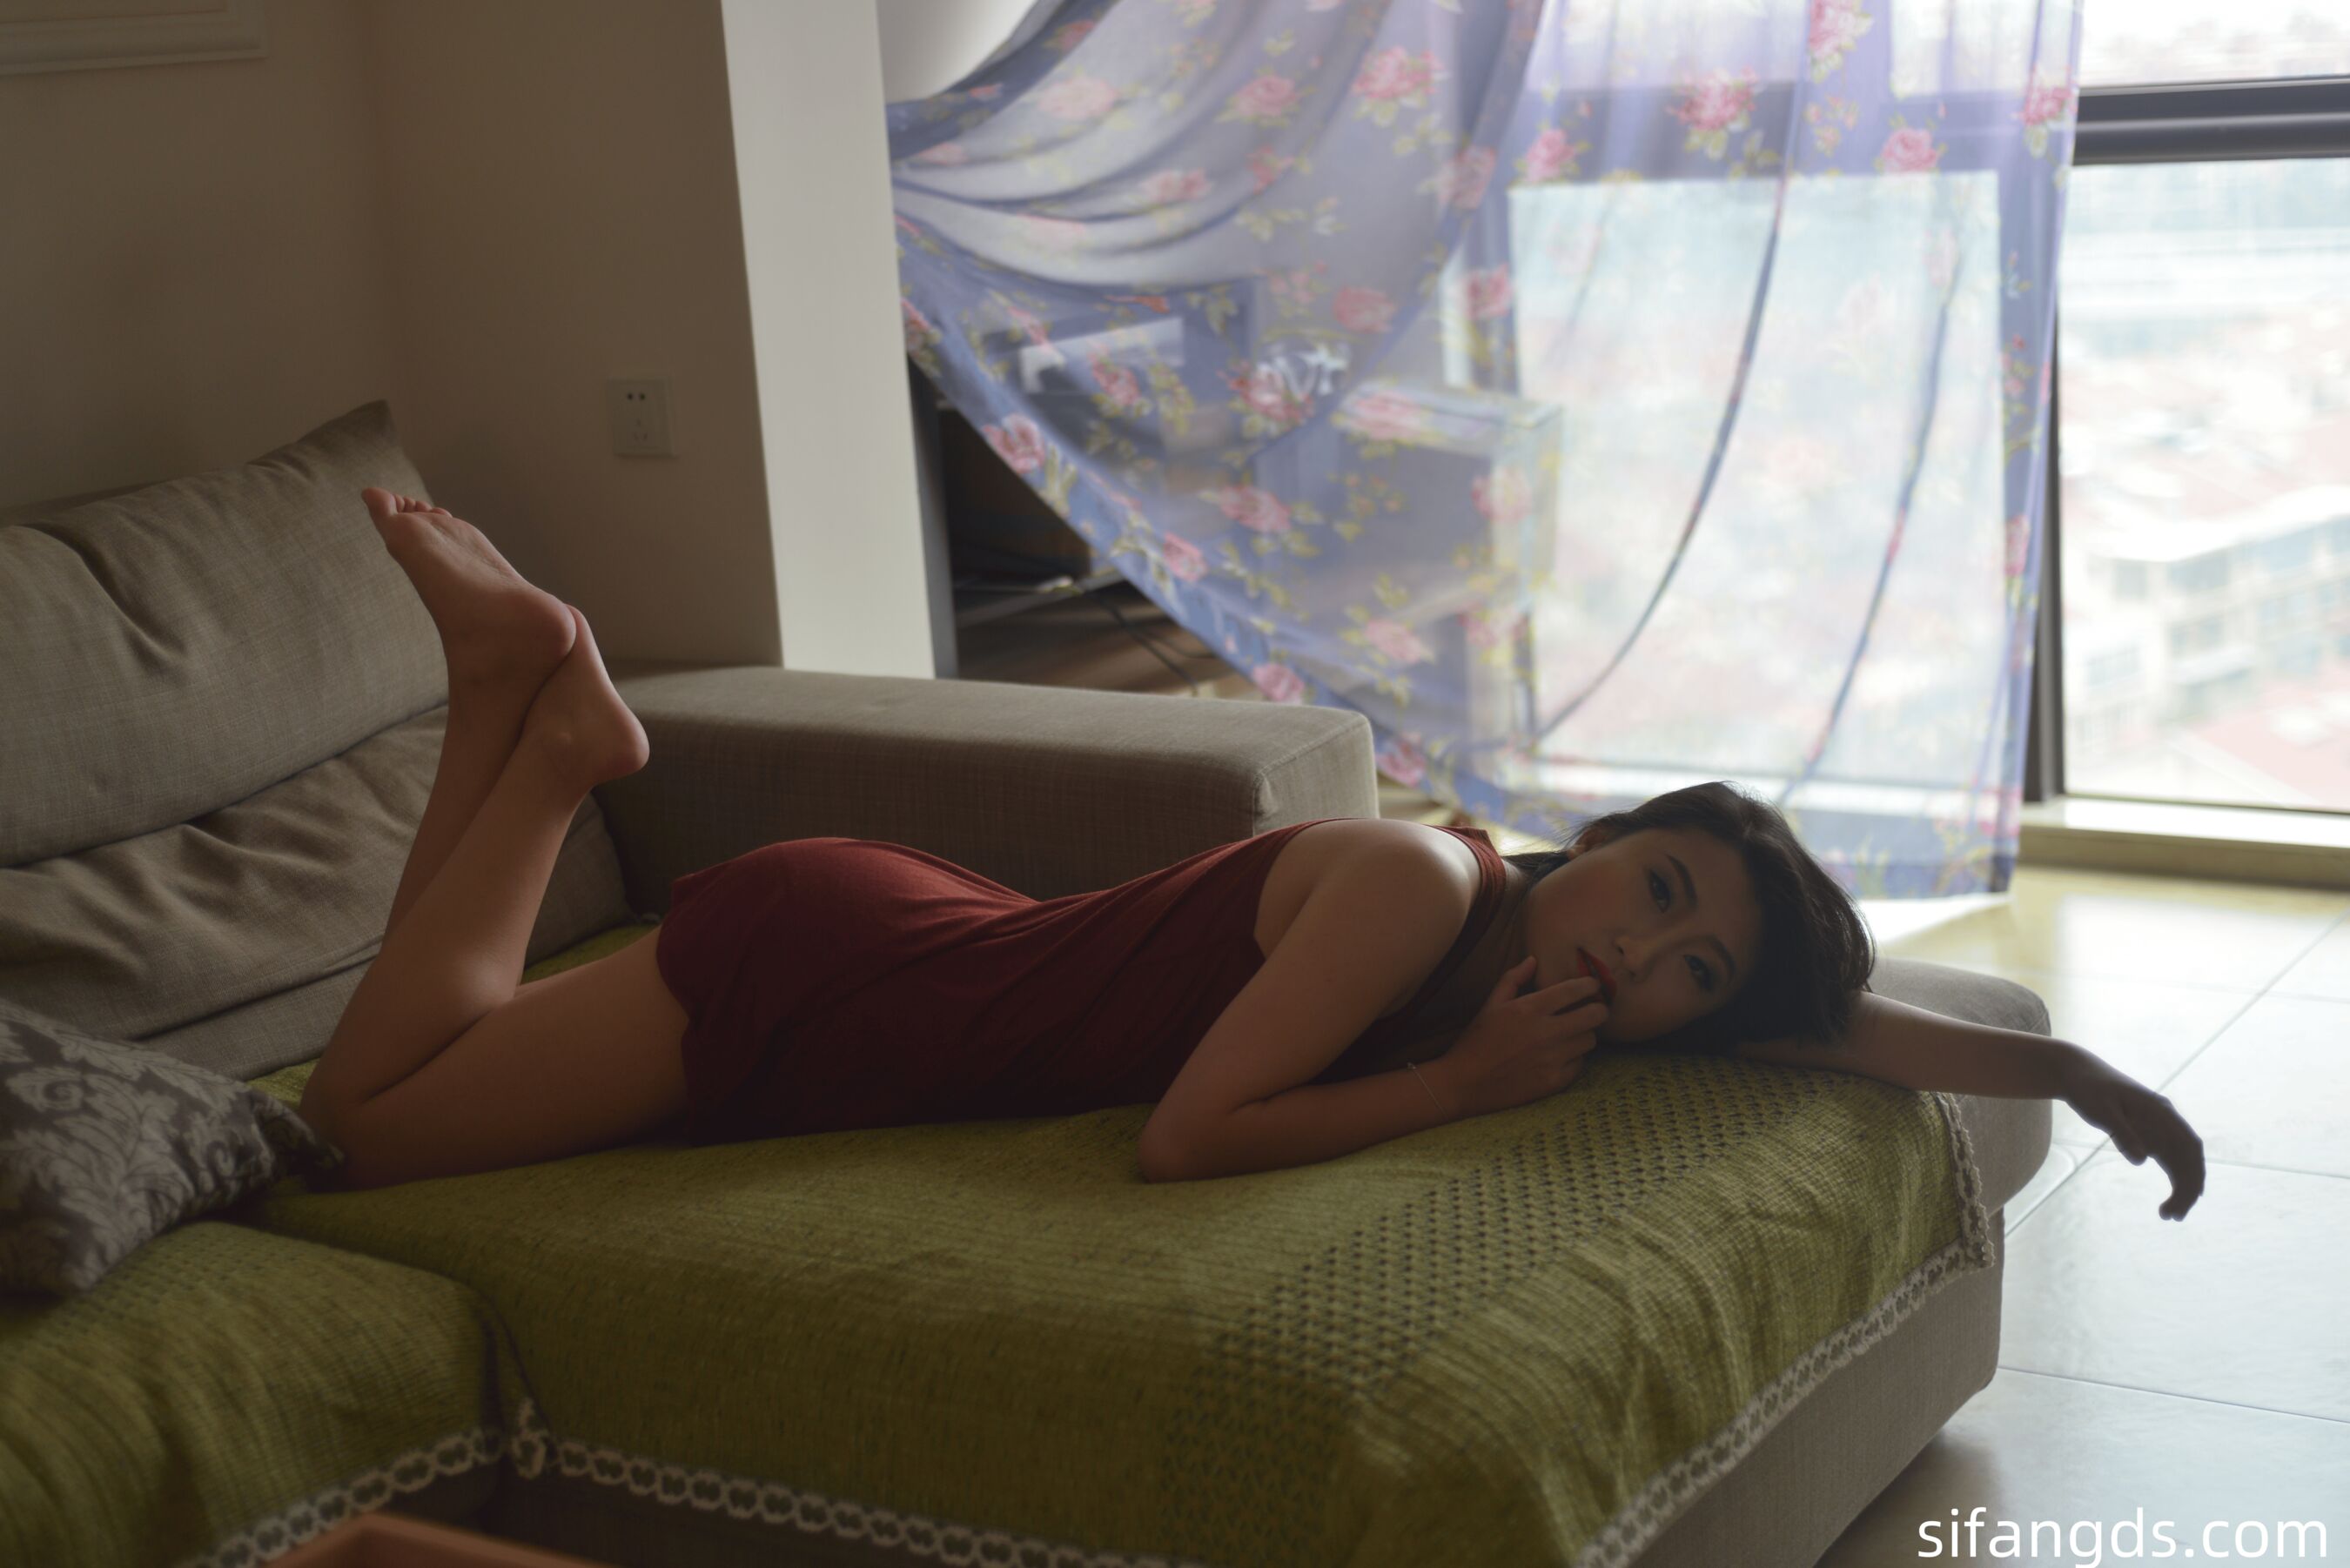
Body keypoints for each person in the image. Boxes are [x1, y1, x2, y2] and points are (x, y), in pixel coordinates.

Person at [299, 489, 2205, 1219]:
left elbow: (1822, 1020)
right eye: (1658, 891)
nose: (1647, 954)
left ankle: (513, 704)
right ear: (1604, 839)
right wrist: (1458, 1087)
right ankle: (554, 748)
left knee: (412, 1067)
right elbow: (1188, 1139)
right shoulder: (1418, 889)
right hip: (849, 977)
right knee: (363, 1128)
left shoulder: (1551, 975)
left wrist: (2079, 1074)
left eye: (1688, 968)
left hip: (927, 951)